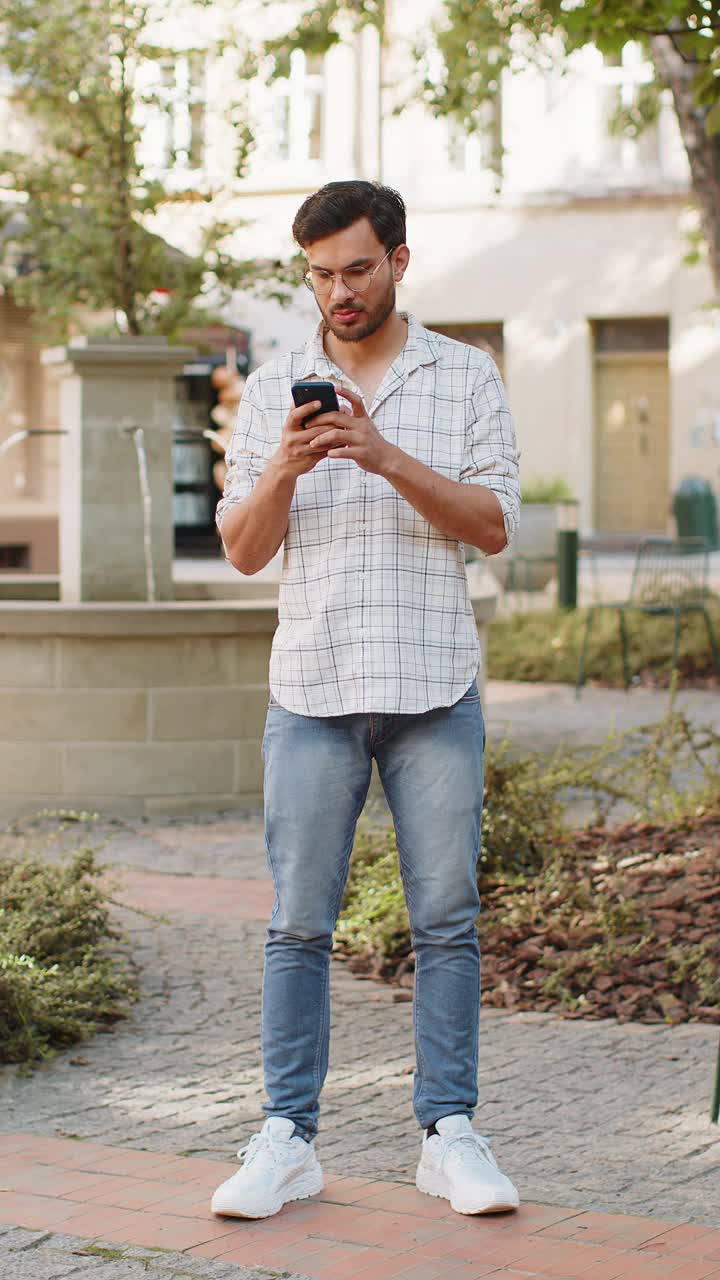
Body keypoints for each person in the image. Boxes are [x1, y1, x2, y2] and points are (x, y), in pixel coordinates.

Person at [211, 180, 521, 1222]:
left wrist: (384, 455)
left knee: (447, 922)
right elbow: (246, 550)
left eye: (355, 268)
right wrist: (286, 473)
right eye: (320, 274)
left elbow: (491, 523)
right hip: (313, 689)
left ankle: (449, 1134)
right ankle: (287, 1137)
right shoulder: (270, 391)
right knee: (298, 925)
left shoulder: (466, 375)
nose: (337, 292)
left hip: (433, 686)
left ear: (397, 258)